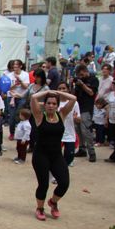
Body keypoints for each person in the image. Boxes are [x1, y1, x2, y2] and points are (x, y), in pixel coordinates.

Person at [29, 89, 77, 220]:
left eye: (54, 103)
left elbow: (73, 98)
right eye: (48, 103)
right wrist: (48, 91)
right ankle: (40, 208)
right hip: (41, 155)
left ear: (57, 105)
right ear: (44, 105)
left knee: (64, 182)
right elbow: (33, 97)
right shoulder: (39, 116)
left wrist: (57, 92)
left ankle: (53, 202)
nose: (51, 105)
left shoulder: (61, 115)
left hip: (56, 155)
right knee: (43, 184)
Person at [72, 64, 99, 162]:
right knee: (78, 129)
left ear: (86, 71)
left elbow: (91, 93)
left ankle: (92, 152)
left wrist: (82, 85)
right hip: (78, 107)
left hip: (86, 108)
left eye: (81, 74)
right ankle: (82, 149)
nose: (80, 77)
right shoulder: (79, 81)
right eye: (79, 75)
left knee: (86, 130)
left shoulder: (93, 80)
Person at [57, 82, 80, 166]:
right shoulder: (54, 103)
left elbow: (79, 119)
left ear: (68, 89)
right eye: (59, 88)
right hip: (57, 134)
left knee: (69, 157)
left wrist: (76, 118)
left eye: (64, 88)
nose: (62, 90)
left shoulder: (74, 103)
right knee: (55, 157)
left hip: (69, 134)